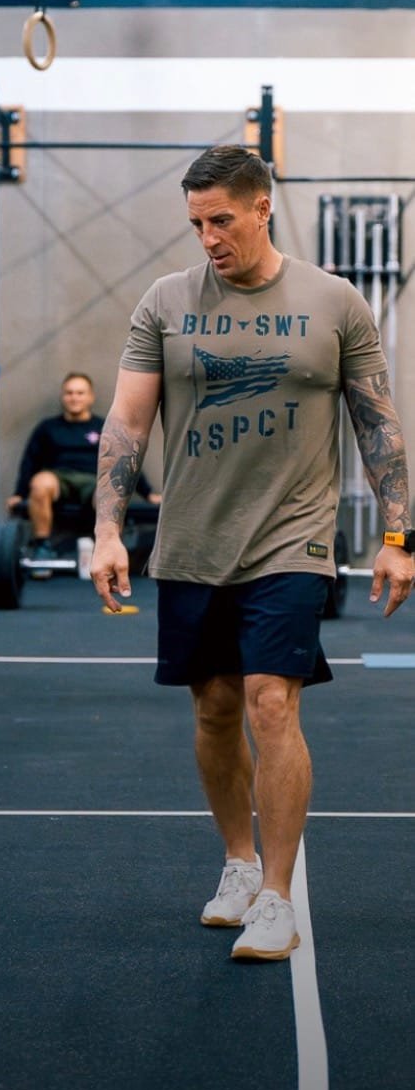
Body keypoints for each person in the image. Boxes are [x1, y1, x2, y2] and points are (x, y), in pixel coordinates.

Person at [91, 144, 413, 961]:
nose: (208, 238)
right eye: (197, 223)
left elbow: (378, 422)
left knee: (274, 700)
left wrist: (400, 532)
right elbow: (127, 422)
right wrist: (105, 528)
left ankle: (276, 892)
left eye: (222, 220)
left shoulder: (334, 302)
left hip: (293, 539)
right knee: (215, 709)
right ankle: (237, 862)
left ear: (263, 207)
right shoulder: (165, 302)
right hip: (194, 540)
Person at [7, 371, 160, 577]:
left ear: (90, 397)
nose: (74, 397)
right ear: (63, 396)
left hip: (94, 480)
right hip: (58, 478)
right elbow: (30, 462)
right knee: (40, 483)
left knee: (110, 491)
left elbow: (124, 461)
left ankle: (106, 551)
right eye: (69, 393)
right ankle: (42, 549)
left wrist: (148, 493)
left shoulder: (104, 426)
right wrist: (19, 494)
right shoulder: (48, 428)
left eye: (80, 393)